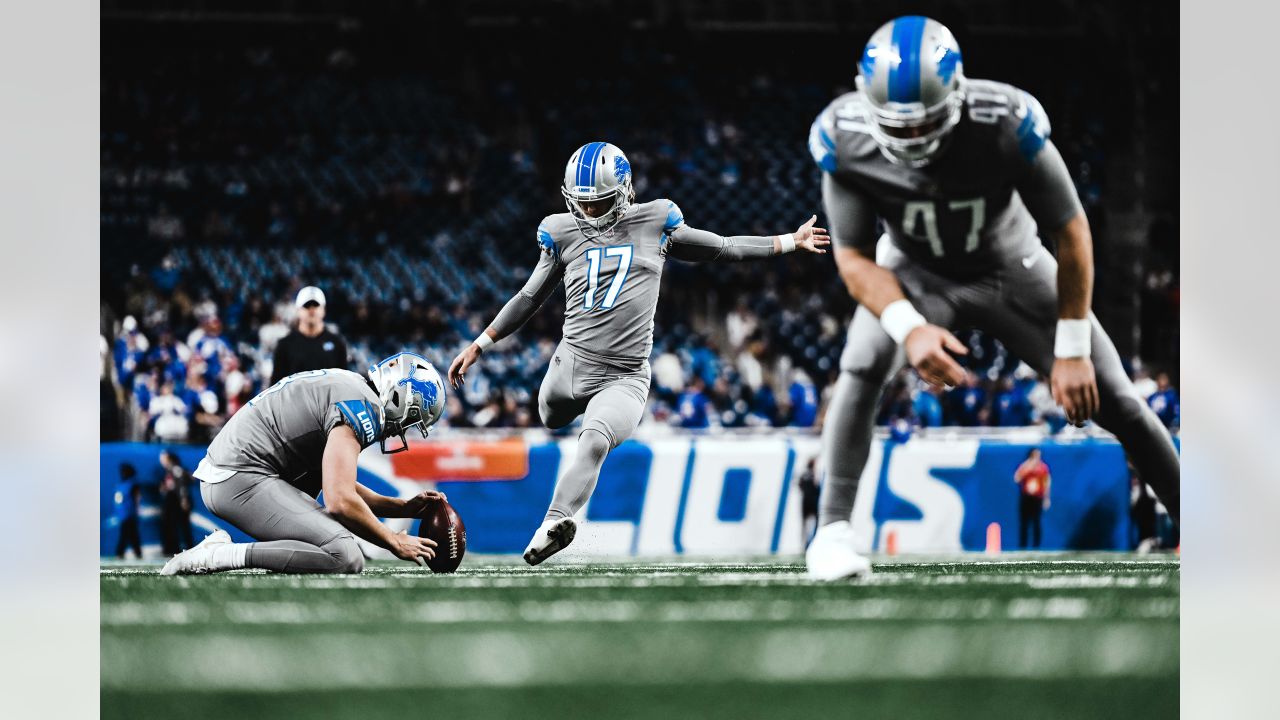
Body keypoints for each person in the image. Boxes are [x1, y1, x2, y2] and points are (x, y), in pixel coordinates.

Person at [805, 16, 1180, 580]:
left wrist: (1073, 347)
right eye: (896, 126)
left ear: (956, 97)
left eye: (922, 123)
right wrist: (909, 327)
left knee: (1119, 400)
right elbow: (855, 257)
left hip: (1012, 266)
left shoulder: (1005, 121)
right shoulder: (846, 134)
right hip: (917, 272)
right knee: (860, 361)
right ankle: (831, 533)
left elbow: (1072, 230)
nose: (908, 138)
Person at [448, 142, 830, 566]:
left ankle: (554, 523)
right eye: (584, 205)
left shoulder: (655, 220)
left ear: (626, 190)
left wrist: (788, 242)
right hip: (570, 364)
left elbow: (721, 247)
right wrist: (481, 343)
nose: (590, 214)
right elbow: (529, 295)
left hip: (624, 376)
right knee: (549, 415)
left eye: (601, 204)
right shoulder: (559, 231)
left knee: (593, 441)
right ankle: (559, 487)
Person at [161, 352, 448, 575]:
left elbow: (336, 482)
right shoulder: (362, 409)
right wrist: (392, 540)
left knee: (327, 536)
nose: (401, 430)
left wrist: (402, 508)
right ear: (398, 397)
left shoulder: (352, 387)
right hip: (237, 476)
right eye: (410, 421)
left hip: (237, 470)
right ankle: (219, 555)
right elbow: (338, 500)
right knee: (343, 554)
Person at [270, 286, 350, 386]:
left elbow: (344, 384)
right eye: (307, 305)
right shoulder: (284, 345)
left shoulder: (337, 343)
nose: (312, 309)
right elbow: (275, 386)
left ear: (323, 310)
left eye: (316, 305)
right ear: (298, 310)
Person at [158, 450, 195, 556]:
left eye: (163, 458)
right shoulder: (169, 471)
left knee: (184, 527)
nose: (161, 461)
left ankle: (190, 550)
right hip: (174, 503)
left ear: (169, 458)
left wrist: (184, 499)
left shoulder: (176, 469)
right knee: (174, 527)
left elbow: (182, 485)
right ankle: (174, 549)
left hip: (179, 503)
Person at [1014, 448, 1051, 549]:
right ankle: (1023, 545)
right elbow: (1017, 478)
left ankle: (1036, 545)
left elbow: (1046, 483)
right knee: (1024, 522)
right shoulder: (1025, 466)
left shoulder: (1043, 467)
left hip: (1037, 497)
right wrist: (1028, 468)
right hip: (1026, 497)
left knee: (1036, 521)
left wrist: (1047, 498)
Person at [113, 463, 142, 560]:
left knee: (128, 534)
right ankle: (135, 553)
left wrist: (137, 510)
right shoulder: (123, 484)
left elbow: (137, 498)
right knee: (129, 534)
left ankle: (121, 553)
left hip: (129, 513)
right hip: (124, 513)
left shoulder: (132, 484)